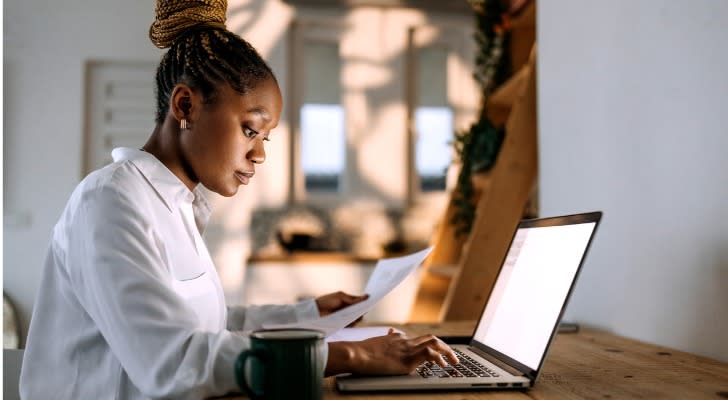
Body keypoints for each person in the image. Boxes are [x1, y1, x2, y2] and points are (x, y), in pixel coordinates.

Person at [19, 0, 457, 398]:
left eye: (265, 137)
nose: (260, 153)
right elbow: (172, 362)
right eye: (251, 129)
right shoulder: (110, 202)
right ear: (186, 106)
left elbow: (206, 326)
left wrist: (308, 314)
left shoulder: (174, 205)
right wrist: (352, 356)